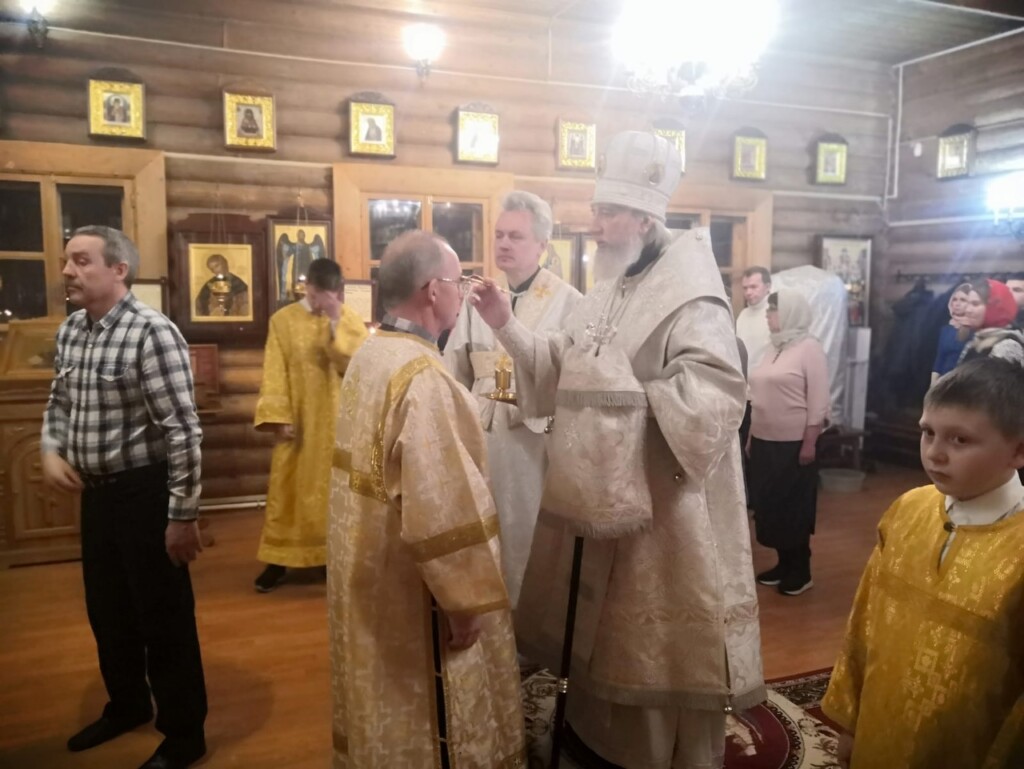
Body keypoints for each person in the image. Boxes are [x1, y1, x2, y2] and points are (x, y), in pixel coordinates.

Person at [472, 131, 765, 769]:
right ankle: (592, 734)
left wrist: (619, 400)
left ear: (644, 219)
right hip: (602, 498)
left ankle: (654, 754)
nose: (594, 225)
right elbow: (562, 362)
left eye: (606, 213)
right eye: (596, 210)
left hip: (665, 507)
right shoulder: (608, 287)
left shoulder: (693, 294)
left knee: (649, 640)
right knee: (599, 630)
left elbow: (718, 396)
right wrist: (505, 323)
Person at [327, 230, 525, 767]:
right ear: (433, 290)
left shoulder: (371, 354)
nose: (463, 292)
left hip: (369, 568)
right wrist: (463, 602)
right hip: (411, 590)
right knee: (433, 709)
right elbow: (441, 510)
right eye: (459, 281)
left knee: (384, 696)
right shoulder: (424, 379)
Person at [41, 226, 207, 769]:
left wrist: (181, 516)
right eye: (67, 261)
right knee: (108, 610)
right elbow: (59, 403)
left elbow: (183, 431)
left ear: (119, 270)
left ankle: (184, 735)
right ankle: (128, 704)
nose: (68, 271)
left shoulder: (151, 333)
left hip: (145, 494)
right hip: (98, 497)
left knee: (163, 618)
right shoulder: (72, 330)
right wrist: (51, 448)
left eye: (81, 260)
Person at [822, 358, 1024, 769]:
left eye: (960, 440)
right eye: (928, 432)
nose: (934, 453)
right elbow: (865, 619)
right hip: (879, 728)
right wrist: (851, 722)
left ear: (1018, 450)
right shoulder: (908, 510)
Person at [444, 191, 581, 606]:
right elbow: (455, 366)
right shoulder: (479, 296)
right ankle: (488, 620)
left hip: (533, 445)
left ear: (542, 245)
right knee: (481, 528)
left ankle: (529, 624)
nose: (503, 243)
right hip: (480, 434)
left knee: (525, 533)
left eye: (516, 236)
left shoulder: (569, 301)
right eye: (499, 234)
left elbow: (568, 377)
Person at [253, 258, 367, 592]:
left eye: (328, 297)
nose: (320, 303)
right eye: (317, 296)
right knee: (288, 489)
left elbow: (357, 364)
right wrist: (279, 416)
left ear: (337, 292)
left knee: (336, 492)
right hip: (300, 423)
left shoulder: (348, 319)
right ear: (308, 288)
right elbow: (274, 369)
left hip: (337, 424)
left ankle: (331, 558)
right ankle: (277, 561)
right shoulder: (283, 321)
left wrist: (334, 320)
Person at [747, 288, 829, 596]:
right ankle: (783, 564)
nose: (768, 316)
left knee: (792, 506)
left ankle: (801, 570)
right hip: (764, 441)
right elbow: (759, 397)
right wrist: (752, 436)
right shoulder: (773, 348)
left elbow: (818, 399)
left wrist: (810, 442)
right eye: (769, 310)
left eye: (773, 310)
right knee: (770, 506)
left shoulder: (809, 348)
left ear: (791, 312)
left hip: (793, 443)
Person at [957, 279, 1024, 366]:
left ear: (994, 306)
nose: (968, 310)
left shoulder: (1007, 345)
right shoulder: (975, 341)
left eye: (975, 304)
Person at [930, 281, 970, 383]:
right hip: (944, 382)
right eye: (955, 299)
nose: (957, 303)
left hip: (964, 382)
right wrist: (933, 385)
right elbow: (939, 359)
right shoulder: (946, 329)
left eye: (963, 300)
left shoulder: (974, 330)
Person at [193, 253, 249, 317]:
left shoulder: (238, 283)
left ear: (225, 264)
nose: (215, 270)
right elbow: (198, 305)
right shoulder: (209, 285)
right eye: (212, 269)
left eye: (217, 266)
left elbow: (246, 307)